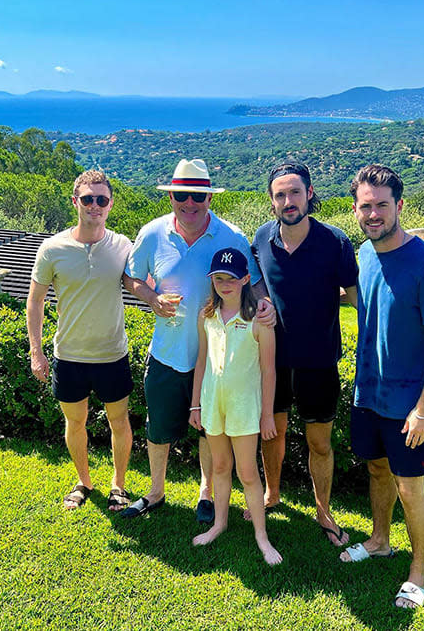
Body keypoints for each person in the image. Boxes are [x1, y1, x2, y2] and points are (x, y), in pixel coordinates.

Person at [121, 158, 275, 521]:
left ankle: (206, 493)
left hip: (219, 359)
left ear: (209, 199)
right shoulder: (151, 233)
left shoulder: (231, 236)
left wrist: (265, 307)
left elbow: (252, 283)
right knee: (158, 426)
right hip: (167, 353)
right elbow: (131, 278)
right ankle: (156, 491)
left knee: (211, 429)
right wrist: (152, 299)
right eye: (181, 195)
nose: (189, 203)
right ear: (171, 196)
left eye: (197, 196)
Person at [340, 164, 424, 609]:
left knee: (411, 488)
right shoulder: (365, 255)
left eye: (381, 205)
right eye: (365, 206)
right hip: (368, 393)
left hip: (411, 403)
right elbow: (359, 299)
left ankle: (419, 571)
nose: (373, 214)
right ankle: (380, 540)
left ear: (399, 206)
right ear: (356, 209)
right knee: (376, 469)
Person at [249, 161, 357, 546]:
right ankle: (272, 494)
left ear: (309, 194)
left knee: (319, 443)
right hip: (271, 361)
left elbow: (354, 293)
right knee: (271, 434)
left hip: (319, 360)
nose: (288, 200)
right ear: (271, 201)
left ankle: (324, 512)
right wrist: (263, 302)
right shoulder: (261, 238)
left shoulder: (335, 241)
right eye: (280, 194)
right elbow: (257, 282)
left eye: (295, 192)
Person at [27, 169, 134, 511]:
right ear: (75, 202)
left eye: (101, 199)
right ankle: (84, 481)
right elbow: (35, 300)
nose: (95, 206)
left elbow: (140, 282)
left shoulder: (122, 245)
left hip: (112, 354)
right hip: (69, 356)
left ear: (110, 204)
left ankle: (119, 485)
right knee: (75, 423)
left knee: (120, 421)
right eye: (88, 199)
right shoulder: (52, 249)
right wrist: (36, 352)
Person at [189, 248, 282, 565]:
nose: (224, 284)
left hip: (244, 408)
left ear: (245, 279)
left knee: (248, 473)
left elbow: (269, 371)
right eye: (218, 278)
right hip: (213, 405)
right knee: (218, 468)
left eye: (231, 278)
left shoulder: (259, 319)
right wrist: (195, 406)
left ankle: (261, 536)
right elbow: (201, 362)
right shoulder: (208, 316)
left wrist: (267, 414)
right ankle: (220, 523)